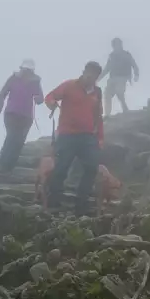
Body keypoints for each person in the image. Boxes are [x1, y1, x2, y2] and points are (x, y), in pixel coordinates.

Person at [45, 61, 105, 216]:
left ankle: (81, 204)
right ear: (84, 71)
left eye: (94, 74)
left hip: (88, 136)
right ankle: (54, 201)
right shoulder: (69, 85)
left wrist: (100, 137)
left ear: (97, 77)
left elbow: (98, 117)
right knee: (61, 168)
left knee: (92, 168)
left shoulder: (97, 92)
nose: (90, 76)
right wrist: (51, 103)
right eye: (89, 72)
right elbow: (50, 96)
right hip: (67, 134)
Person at [0, 59, 44, 171]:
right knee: (12, 136)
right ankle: (4, 162)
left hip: (26, 116)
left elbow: (40, 99)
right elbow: (2, 94)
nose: (25, 72)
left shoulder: (35, 82)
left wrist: (38, 98)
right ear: (21, 69)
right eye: (24, 70)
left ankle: (9, 165)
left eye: (28, 70)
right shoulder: (13, 79)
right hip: (12, 113)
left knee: (19, 140)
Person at [99, 38, 139, 117]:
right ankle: (107, 114)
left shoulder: (126, 55)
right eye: (115, 45)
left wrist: (136, 74)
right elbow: (107, 68)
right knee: (107, 94)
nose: (116, 47)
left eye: (118, 44)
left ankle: (125, 109)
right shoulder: (112, 56)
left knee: (119, 92)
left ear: (121, 45)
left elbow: (133, 64)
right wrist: (99, 78)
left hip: (123, 77)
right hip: (112, 78)